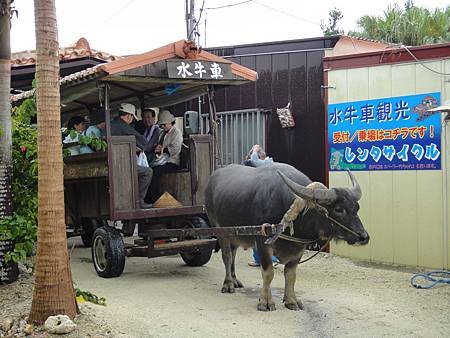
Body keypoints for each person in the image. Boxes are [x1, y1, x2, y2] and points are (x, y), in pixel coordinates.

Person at [110, 102, 153, 209]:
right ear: (129, 115)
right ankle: (138, 201)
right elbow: (143, 142)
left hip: (111, 162)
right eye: (132, 117)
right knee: (148, 172)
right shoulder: (124, 127)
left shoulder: (111, 124)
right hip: (120, 165)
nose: (132, 120)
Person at [244, 144, 278, 267]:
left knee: (266, 232)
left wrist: (255, 149)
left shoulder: (268, 164)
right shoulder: (268, 164)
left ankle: (271, 259)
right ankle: (259, 259)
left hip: (266, 204)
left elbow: (253, 160)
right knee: (258, 232)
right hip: (263, 202)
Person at [146, 110, 182, 203]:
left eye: (164, 124)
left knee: (155, 172)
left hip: (172, 161)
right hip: (161, 160)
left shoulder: (176, 132)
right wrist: (156, 148)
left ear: (170, 122)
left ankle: (156, 199)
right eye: (161, 125)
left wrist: (162, 149)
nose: (162, 127)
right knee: (149, 170)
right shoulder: (162, 133)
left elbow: (175, 149)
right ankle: (149, 198)